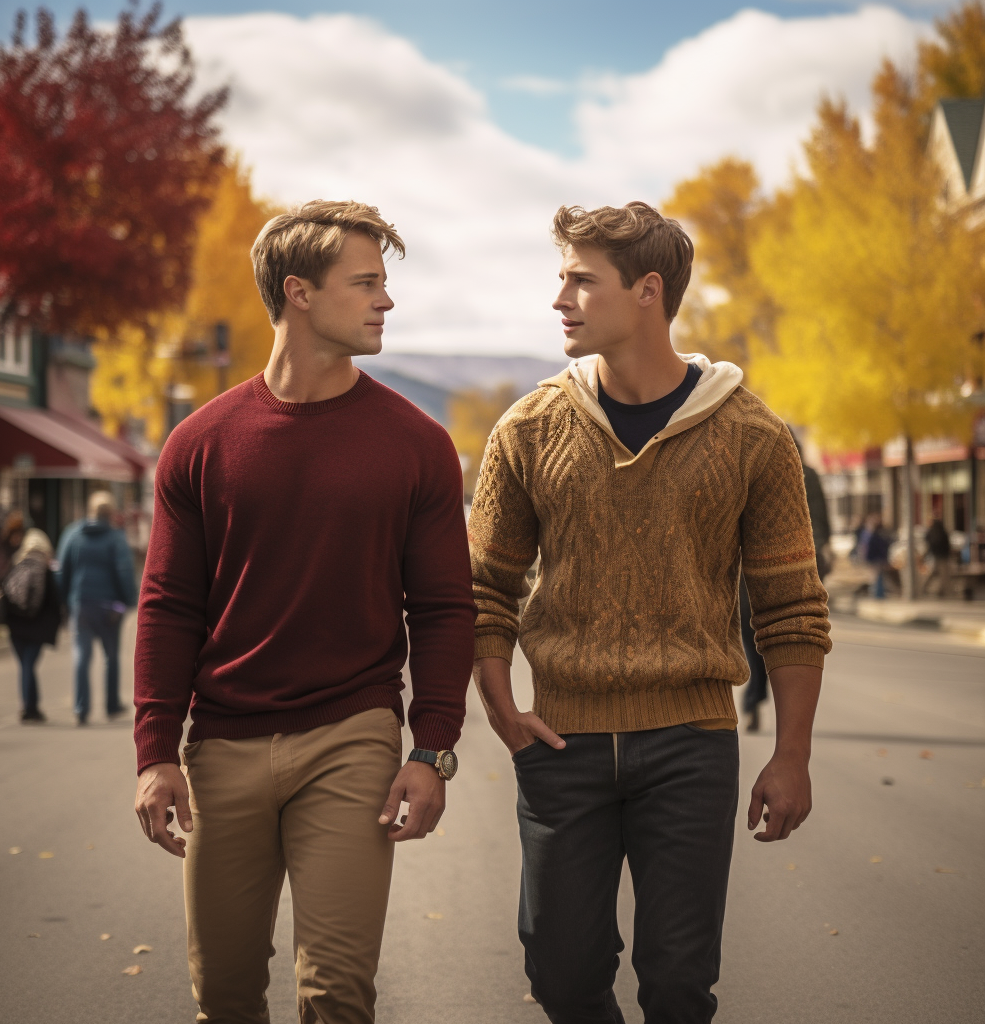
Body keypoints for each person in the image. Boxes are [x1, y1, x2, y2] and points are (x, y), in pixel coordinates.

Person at [469, 202, 831, 1024]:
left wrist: (793, 754)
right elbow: (484, 587)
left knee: (678, 986)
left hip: (692, 746)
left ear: (648, 291)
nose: (559, 297)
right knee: (562, 976)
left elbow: (792, 610)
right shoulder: (527, 429)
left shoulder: (753, 435)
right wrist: (502, 707)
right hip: (562, 744)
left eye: (580, 280)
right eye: (560, 277)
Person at [132, 201, 475, 1024]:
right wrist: (155, 751)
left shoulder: (418, 445)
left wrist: (431, 749)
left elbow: (441, 609)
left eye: (384, 284)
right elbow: (169, 605)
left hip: (351, 738)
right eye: (365, 283)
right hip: (221, 743)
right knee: (224, 992)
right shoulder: (201, 442)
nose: (385, 301)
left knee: (336, 993)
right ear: (299, 293)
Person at [742, 430, 831, 732]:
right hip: (797, 562)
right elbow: (822, 524)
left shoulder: (797, 472)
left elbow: (819, 522)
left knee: (756, 636)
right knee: (783, 635)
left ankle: (754, 696)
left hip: (754, 568)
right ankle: (757, 695)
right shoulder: (810, 474)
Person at [56, 491, 137, 725]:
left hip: (80, 603)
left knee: (81, 656)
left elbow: (62, 571)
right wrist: (129, 600)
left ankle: (81, 707)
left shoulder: (73, 534)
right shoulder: (115, 538)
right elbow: (124, 572)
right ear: (111, 513)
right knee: (111, 657)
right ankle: (111, 705)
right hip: (110, 607)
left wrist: (65, 601)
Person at [2, 528, 62, 723]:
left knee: (25, 666)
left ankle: (31, 707)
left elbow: (3, 593)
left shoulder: (16, 564)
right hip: (37, 628)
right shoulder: (46, 568)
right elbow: (54, 601)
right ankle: (29, 709)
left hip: (16, 627)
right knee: (29, 666)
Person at [925, 516, 952, 597]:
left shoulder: (933, 532)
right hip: (942, 556)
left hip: (938, 556)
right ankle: (945, 591)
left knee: (938, 574)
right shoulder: (942, 531)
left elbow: (929, 542)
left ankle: (943, 591)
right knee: (942, 574)